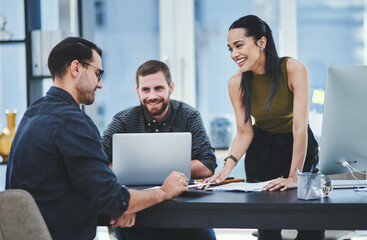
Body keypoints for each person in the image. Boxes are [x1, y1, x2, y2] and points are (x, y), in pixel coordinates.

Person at [5, 37, 188, 240]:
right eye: (97, 73)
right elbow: (112, 197)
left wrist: (118, 207)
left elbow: (65, 189)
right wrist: (163, 191)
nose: (100, 84)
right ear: (76, 68)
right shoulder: (73, 122)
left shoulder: (33, 112)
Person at [203, 15, 325, 240]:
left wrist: (294, 176)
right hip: (261, 148)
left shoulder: (293, 68)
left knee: (311, 227)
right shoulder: (236, 83)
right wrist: (226, 169)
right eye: (230, 48)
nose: (234, 54)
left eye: (239, 46)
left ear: (261, 42)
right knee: (268, 227)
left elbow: (299, 126)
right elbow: (244, 132)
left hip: (298, 145)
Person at [102, 60, 217, 240]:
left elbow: (208, 164)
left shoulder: (189, 115)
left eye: (159, 88)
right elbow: (97, 163)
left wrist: (155, 173)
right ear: (137, 91)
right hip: (137, 206)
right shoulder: (123, 119)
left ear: (171, 88)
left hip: (182, 206)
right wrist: (128, 203)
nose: (152, 96)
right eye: (145, 90)